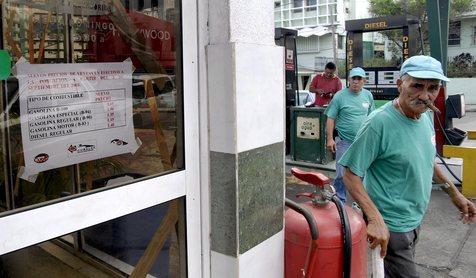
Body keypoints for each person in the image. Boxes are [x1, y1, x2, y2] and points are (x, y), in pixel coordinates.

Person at [339, 55, 476, 277]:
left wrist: (454, 194)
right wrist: (374, 218)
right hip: (390, 226)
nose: (425, 95)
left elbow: (426, 160)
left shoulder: (424, 117)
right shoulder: (378, 123)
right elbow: (350, 173)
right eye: (417, 86)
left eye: (433, 88)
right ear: (400, 84)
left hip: (414, 218)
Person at [324, 67, 374, 202]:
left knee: (361, 174)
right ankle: (339, 202)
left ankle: (360, 204)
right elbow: (330, 117)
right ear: (349, 80)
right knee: (341, 174)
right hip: (344, 141)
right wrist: (330, 139)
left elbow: (371, 118)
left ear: (364, 81)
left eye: (359, 79)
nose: (356, 82)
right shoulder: (340, 96)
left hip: (362, 142)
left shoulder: (368, 95)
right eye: (354, 78)